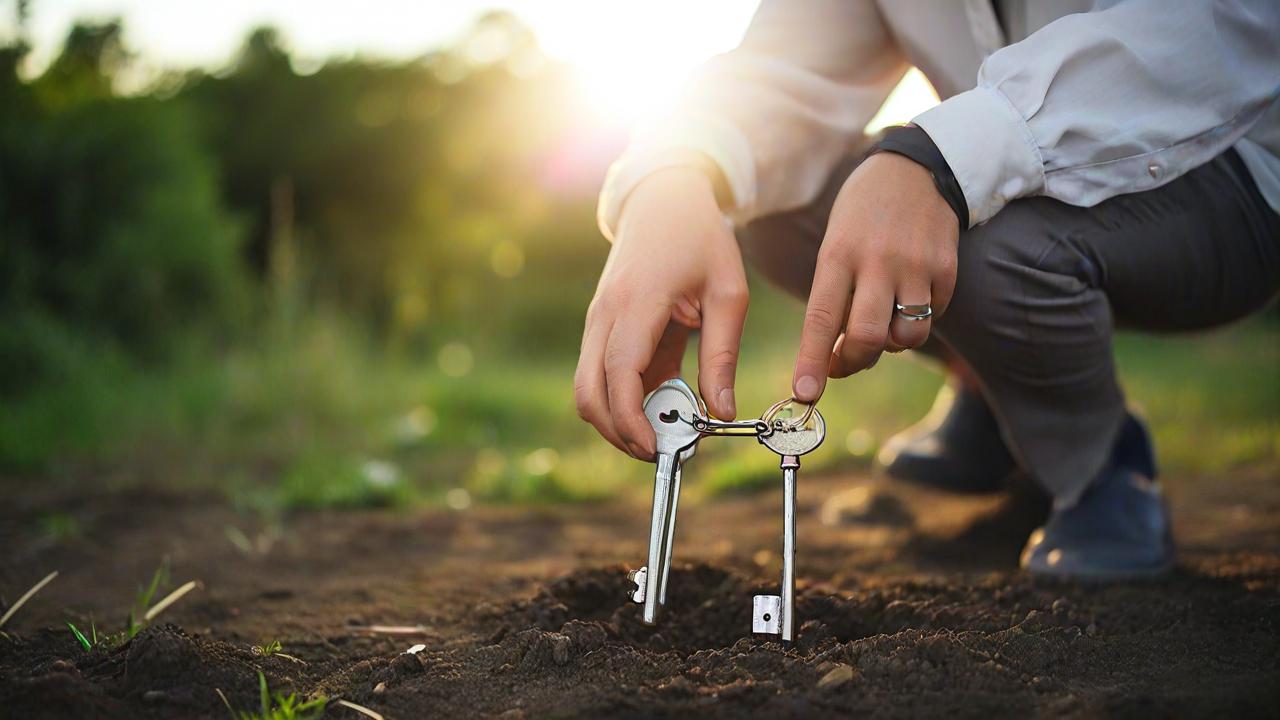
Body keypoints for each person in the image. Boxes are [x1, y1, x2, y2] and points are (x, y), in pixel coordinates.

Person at [574, 0, 1280, 580]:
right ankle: (993, 391)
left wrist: (943, 157)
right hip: (1008, 175)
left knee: (983, 245)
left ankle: (1101, 468)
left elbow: (1226, 26)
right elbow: (786, 67)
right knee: (780, 203)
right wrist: (674, 174)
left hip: (1232, 175)